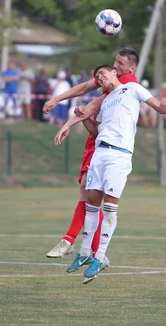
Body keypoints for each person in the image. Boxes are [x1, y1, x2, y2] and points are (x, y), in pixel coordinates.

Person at [53, 64, 166, 284]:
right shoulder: (107, 101)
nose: (99, 77)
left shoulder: (133, 89)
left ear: (114, 73)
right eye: (96, 76)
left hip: (119, 155)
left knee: (110, 206)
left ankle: (99, 257)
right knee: (91, 204)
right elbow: (97, 131)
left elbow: (159, 106)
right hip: (100, 153)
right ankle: (83, 253)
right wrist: (85, 118)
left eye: (102, 73)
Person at [44, 48, 140, 261]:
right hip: (96, 135)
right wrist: (56, 99)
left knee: (90, 192)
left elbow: (92, 105)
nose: (116, 65)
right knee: (89, 194)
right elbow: (84, 87)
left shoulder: (128, 83)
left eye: (120, 63)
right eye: (115, 61)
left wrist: (68, 124)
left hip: (110, 142)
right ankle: (96, 254)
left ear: (131, 68)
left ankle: (69, 241)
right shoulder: (109, 76)